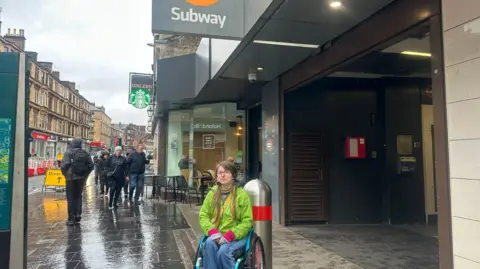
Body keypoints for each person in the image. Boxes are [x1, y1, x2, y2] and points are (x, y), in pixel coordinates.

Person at [199, 161, 253, 269]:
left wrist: (231, 234)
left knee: (223, 252)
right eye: (220, 172)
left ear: (233, 175)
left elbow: (247, 221)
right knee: (209, 244)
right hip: (217, 234)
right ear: (217, 176)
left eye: (227, 172)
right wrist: (212, 231)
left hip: (236, 236)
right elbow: (203, 216)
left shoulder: (242, 195)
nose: (223, 175)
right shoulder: (212, 194)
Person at [60, 139, 94, 226]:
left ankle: (71, 219)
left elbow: (64, 165)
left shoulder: (68, 152)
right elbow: (91, 166)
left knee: (70, 198)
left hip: (70, 179)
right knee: (78, 196)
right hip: (81, 178)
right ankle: (78, 214)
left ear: (72, 144)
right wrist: (84, 175)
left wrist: (65, 174)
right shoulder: (85, 153)